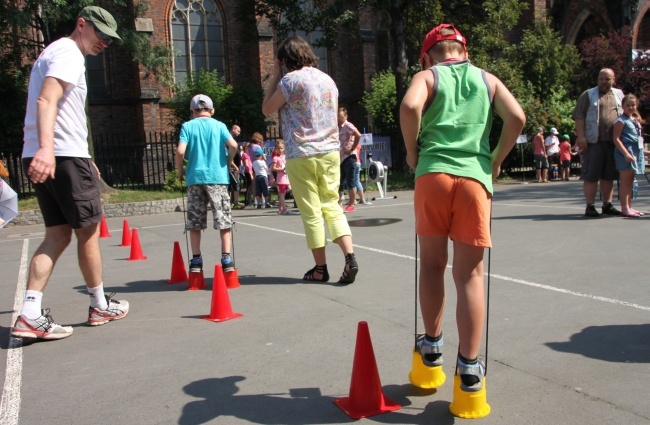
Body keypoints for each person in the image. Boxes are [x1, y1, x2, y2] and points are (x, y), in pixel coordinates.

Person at [400, 24, 525, 397]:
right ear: (464, 52)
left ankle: (432, 345)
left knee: (433, 265)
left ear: (428, 55)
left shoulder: (427, 76)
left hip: (433, 175)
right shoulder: (487, 79)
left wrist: (411, 151)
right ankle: (469, 368)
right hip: (474, 179)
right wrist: (496, 159)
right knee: (470, 274)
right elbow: (516, 117)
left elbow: (409, 107)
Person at [11, 6, 128, 341]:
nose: (105, 42)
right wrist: (51, 150)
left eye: (109, 38)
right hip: (59, 155)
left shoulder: (52, 52)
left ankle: (30, 312)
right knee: (88, 233)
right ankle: (99, 304)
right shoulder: (68, 53)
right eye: (101, 34)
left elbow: (59, 110)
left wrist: (76, 155)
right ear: (82, 25)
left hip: (51, 153)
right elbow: (47, 101)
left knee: (57, 235)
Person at [262, 35, 358, 284]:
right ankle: (350, 256)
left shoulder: (289, 81)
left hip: (301, 153)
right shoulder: (328, 79)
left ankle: (320, 268)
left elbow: (267, 108)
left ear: (285, 59)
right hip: (329, 152)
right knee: (332, 206)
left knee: (312, 212)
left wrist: (275, 73)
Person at [175, 94, 237, 273]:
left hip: (195, 178)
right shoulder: (219, 126)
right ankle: (226, 258)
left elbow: (180, 151)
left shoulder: (188, 126)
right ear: (212, 110)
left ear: (193, 111)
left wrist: (180, 171)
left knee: (195, 221)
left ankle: (196, 260)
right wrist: (227, 160)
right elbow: (233, 145)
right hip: (217, 177)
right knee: (223, 219)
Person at [573, 68, 624, 217]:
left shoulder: (619, 94)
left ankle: (607, 204)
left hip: (613, 143)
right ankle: (590, 206)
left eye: (607, 79)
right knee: (591, 175)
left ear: (613, 79)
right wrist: (581, 136)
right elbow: (579, 116)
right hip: (593, 142)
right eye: (601, 78)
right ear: (597, 79)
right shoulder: (588, 95)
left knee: (609, 176)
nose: (604, 82)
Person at [612, 94, 646, 217]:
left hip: (636, 151)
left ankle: (629, 206)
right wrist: (626, 153)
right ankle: (624, 208)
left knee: (630, 180)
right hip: (625, 152)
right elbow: (616, 139)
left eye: (633, 105)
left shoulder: (634, 120)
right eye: (628, 105)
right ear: (623, 106)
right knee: (625, 181)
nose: (631, 107)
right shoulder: (620, 120)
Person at [337, 107, 362, 213]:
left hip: (349, 158)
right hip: (341, 158)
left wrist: (352, 148)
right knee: (339, 182)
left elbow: (358, 135)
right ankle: (339, 203)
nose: (339, 118)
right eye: (338, 116)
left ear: (346, 116)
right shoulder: (337, 127)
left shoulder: (348, 125)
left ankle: (351, 204)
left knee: (350, 182)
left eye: (341, 116)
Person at [271, 139, 291, 214]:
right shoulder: (275, 158)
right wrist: (282, 169)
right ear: (276, 149)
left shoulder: (285, 156)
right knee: (282, 193)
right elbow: (273, 168)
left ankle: (280, 208)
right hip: (281, 178)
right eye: (278, 148)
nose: (280, 150)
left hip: (286, 176)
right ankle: (284, 209)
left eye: (281, 148)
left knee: (283, 193)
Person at [229, 125, 243, 208]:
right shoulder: (228, 140)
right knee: (232, 184)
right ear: (233, 129)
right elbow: (228, 155)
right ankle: (231, 202)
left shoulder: (232, 140)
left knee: (235, 184)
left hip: (235, 167)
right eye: (238, 131)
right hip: (232, 167)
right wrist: (234, 166)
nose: (239, 133)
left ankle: (235, 201)